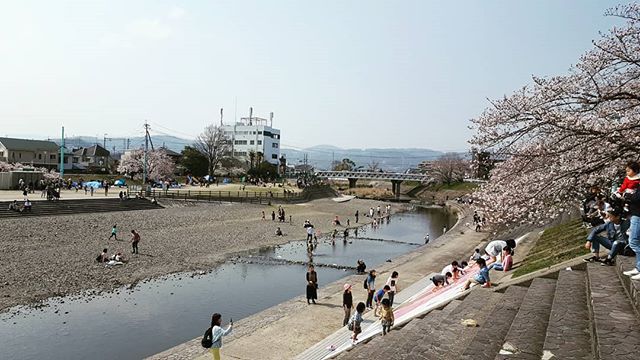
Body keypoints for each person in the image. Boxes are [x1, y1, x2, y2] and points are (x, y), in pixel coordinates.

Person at [622, 161, 640, 280]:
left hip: (638, 214)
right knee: (634, 240)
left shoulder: (637, 182)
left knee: (633, 241)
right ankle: (638, 267)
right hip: (634, 213)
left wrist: (627, 196)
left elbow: (638, 198)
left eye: (629, 170)